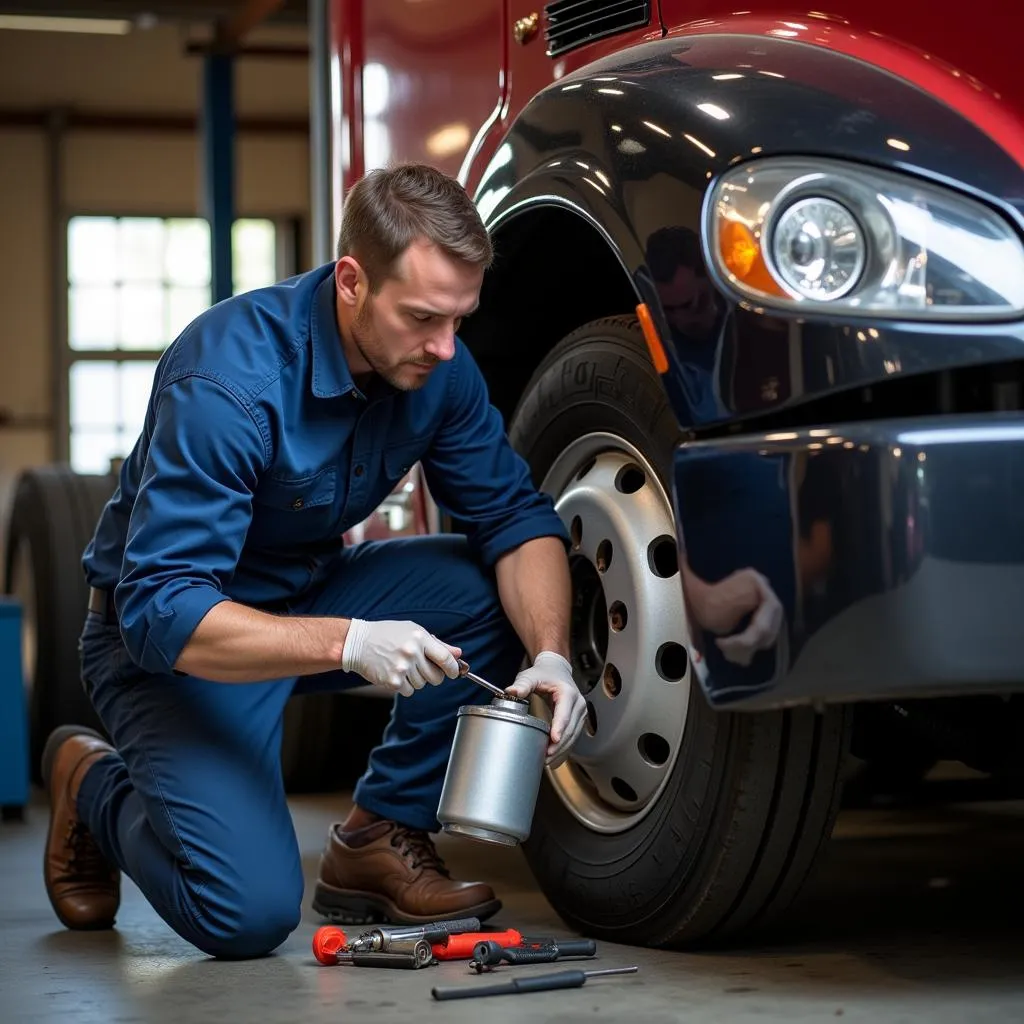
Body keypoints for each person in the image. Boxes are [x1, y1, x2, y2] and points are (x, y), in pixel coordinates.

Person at [42, 162, 587, 960]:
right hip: (172, 649)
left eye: (460, 321)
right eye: (424, 318)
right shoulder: (228, 380)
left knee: (486, 591)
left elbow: (513, 518)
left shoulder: (439, 366)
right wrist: (349, 643)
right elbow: (161, 612)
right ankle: (89, 781)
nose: (445, 347)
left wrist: (552, 654)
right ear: (352, 281)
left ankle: (379, 830)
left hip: (308, 593)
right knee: (247, 915)